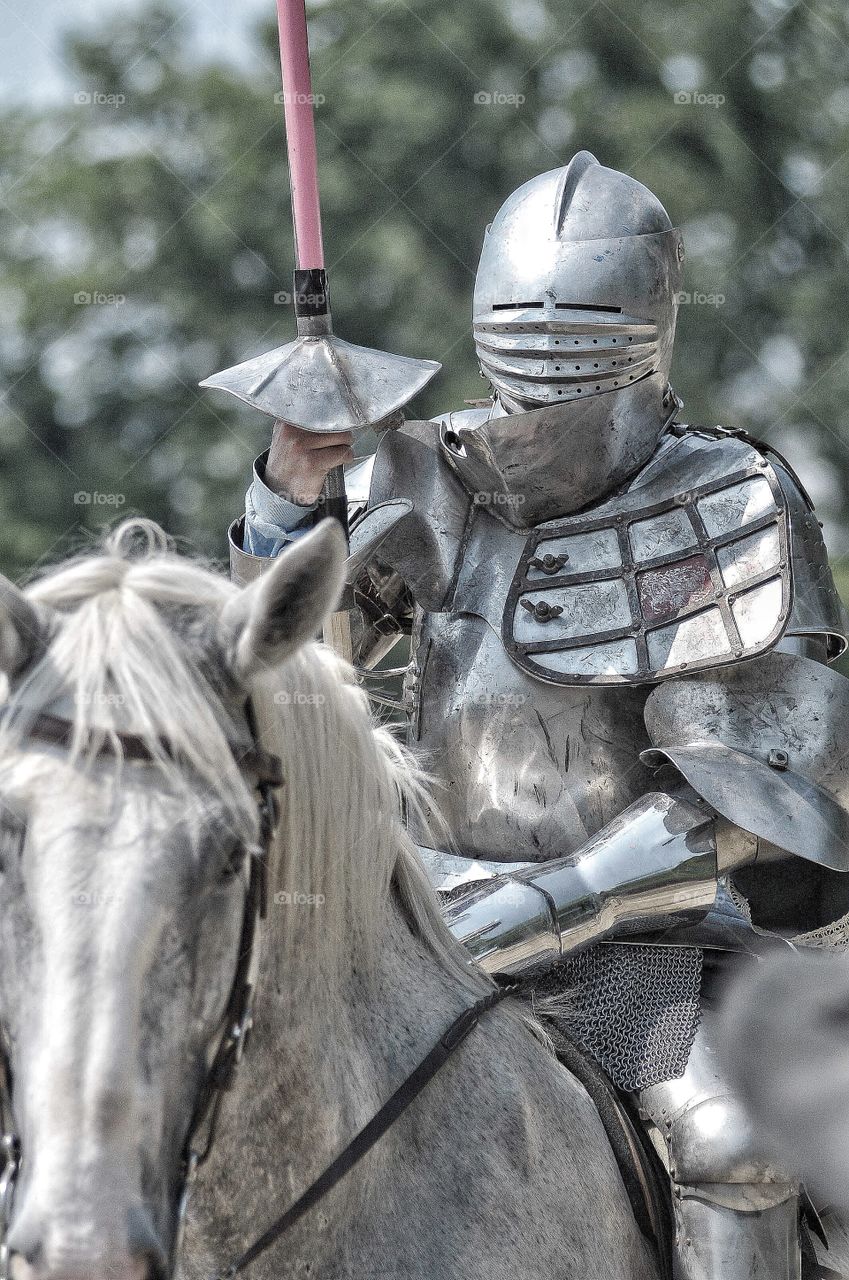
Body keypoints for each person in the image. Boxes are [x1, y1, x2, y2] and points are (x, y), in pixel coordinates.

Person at [227, 150, 849, 1279]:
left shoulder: (732, 501)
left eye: (576, 349)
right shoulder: (427, 477)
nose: (544, 384)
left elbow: (753, 800)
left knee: (735, 1141)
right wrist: (293, 495)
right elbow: (278, 682)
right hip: (418, 926)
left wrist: (545, 903)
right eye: (527, 343)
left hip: (642, 953)